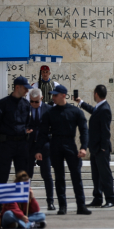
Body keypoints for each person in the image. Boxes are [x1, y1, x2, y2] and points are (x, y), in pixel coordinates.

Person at [35, 85, 92, 216]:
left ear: (63, 95)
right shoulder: (50, 112)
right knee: (59, 176)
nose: (53, 97)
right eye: (52, 95)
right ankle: (62, 206)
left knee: (76, 175)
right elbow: (42, 133)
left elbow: (84, 130)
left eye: (55, 95)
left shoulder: (75, 111)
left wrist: (83, 147)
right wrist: (38, 150)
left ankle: (81, 206)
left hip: (70, 144)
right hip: (55, 144)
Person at [0, 76, 32, 214]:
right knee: (2, 174)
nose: (27, 91)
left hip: (22, 144)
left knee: (22, 175)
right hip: (7, 144)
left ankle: (21, 206)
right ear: (17, 87)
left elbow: (28, 123)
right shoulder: (3, 103)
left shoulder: (26, 104)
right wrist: (2, 137)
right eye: (25, 88)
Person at [76, 85, 114, 208]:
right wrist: (81, 102)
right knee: (96, 176)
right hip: (95, 148)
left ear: (96, 94)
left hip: (101, 149)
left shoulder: (105, 109)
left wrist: (103, 148)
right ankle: (97, 198)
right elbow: (93, 110)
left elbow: (106, 131)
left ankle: (110, 199)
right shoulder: (100, 107)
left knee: (105, 175)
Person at [26, 89, 55, 211]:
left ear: (41, 98)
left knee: (47, 175)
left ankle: (50, 202)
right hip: (29, 146)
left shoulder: (49, 109)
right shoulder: (26, 109)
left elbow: (53, 128)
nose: (33, 104)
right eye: (31, 101)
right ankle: (25, 203)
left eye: (36, 102)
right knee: (27, 175)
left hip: (44, 146)